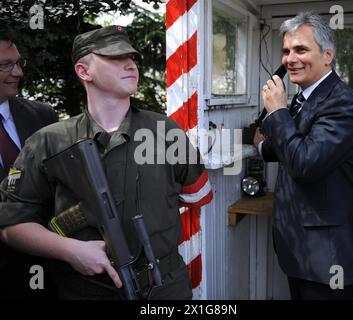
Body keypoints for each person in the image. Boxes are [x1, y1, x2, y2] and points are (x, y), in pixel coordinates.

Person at [0, 25, 213, 300]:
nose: (129, 65)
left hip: (165, 289)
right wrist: (72, 250)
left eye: (132, 57)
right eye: (114, 58)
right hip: (86, 289)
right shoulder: (48, 142)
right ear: (83, 71)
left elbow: (197, 195)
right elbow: (12, 225)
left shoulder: (166, 131)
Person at [254, 12, 353, 300]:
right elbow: (286, 146)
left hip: (327, 257)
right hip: (299, 250)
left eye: (301, 49)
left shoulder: (344, 104)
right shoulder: (301, 98)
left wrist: (277, 112)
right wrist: (261, 145)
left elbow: (304, 163)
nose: (290, 58)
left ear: (328, 55)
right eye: (286, 50)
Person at [0, 25, 58, 300]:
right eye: (6, 65)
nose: (19, 73)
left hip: (45, 266)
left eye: (19, 63)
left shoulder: (43, 117)